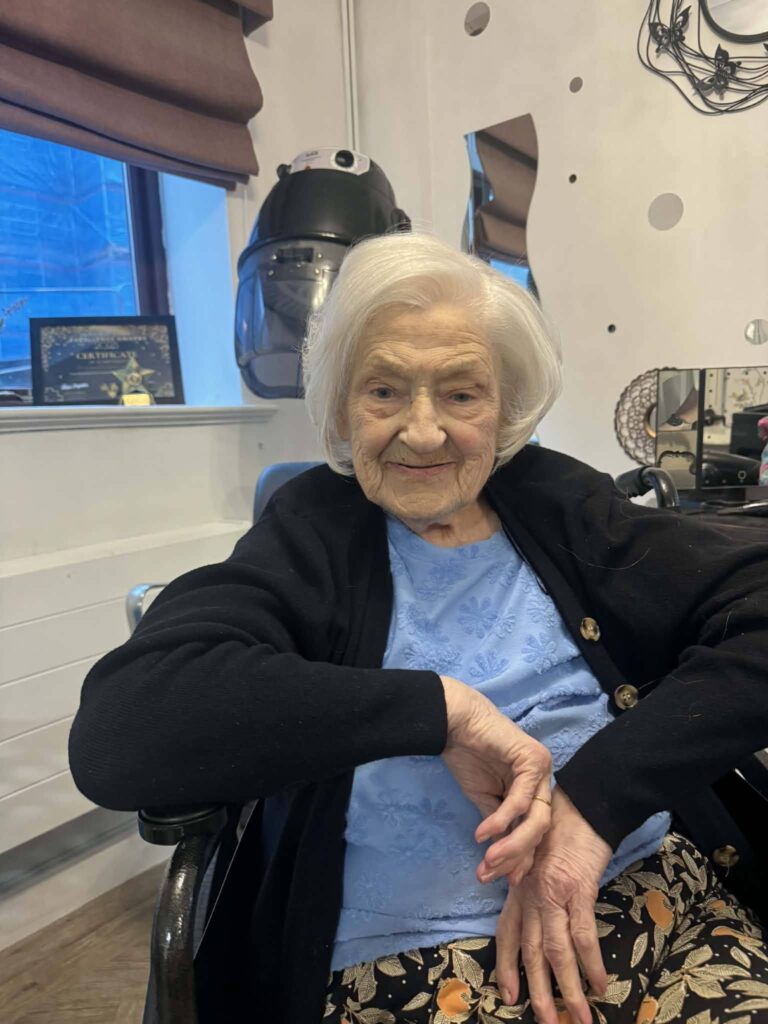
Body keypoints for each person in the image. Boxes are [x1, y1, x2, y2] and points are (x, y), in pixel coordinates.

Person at [69, 232, 768, 1024]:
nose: (424, 431)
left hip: (662, 906)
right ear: (342, 406)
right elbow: (122, 731)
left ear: (505, 407)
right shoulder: (311, 535)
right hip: (421, 965)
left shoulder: (560, 503)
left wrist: (592, 804)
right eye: (385, 391)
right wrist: (441, 712)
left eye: (462, 395)